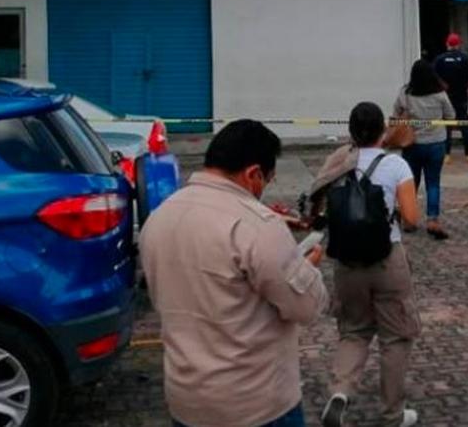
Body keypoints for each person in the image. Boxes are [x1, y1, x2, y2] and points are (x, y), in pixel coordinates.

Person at [140, 120, 328, 427]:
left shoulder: (159, 218)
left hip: (186, 402)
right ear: (254, 174)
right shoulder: (257, 226)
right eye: (267, 179)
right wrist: (305, 269)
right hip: (257, 406)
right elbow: (306, 308)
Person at [315, 102, 422, 427]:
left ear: (351, 131)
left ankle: (340, 392)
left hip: (346, 261)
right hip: (387, 258)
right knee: (395, 337)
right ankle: (392, 414)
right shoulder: (395, 166)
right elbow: (413, 219)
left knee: (354, 331)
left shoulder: (338, 165)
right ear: (383, 130)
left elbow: (317, 210)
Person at [394, 59, 456, 239]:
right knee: (433, 183)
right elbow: (451, 115)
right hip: (436, 143)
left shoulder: (405, 93)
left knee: (410, 183)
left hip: (412, 144)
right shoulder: (439, 94)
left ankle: (408, 219)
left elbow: (395, 114)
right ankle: (433, 219)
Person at [433, 33, 468, 161]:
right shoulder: (465, 58)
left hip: (445, 97)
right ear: (459, 44)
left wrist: (441, 86)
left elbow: (432, 75)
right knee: (465, 125)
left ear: (447, 44)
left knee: (446, 126)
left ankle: (446, 154)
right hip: (462, 96)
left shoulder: (440, 59)